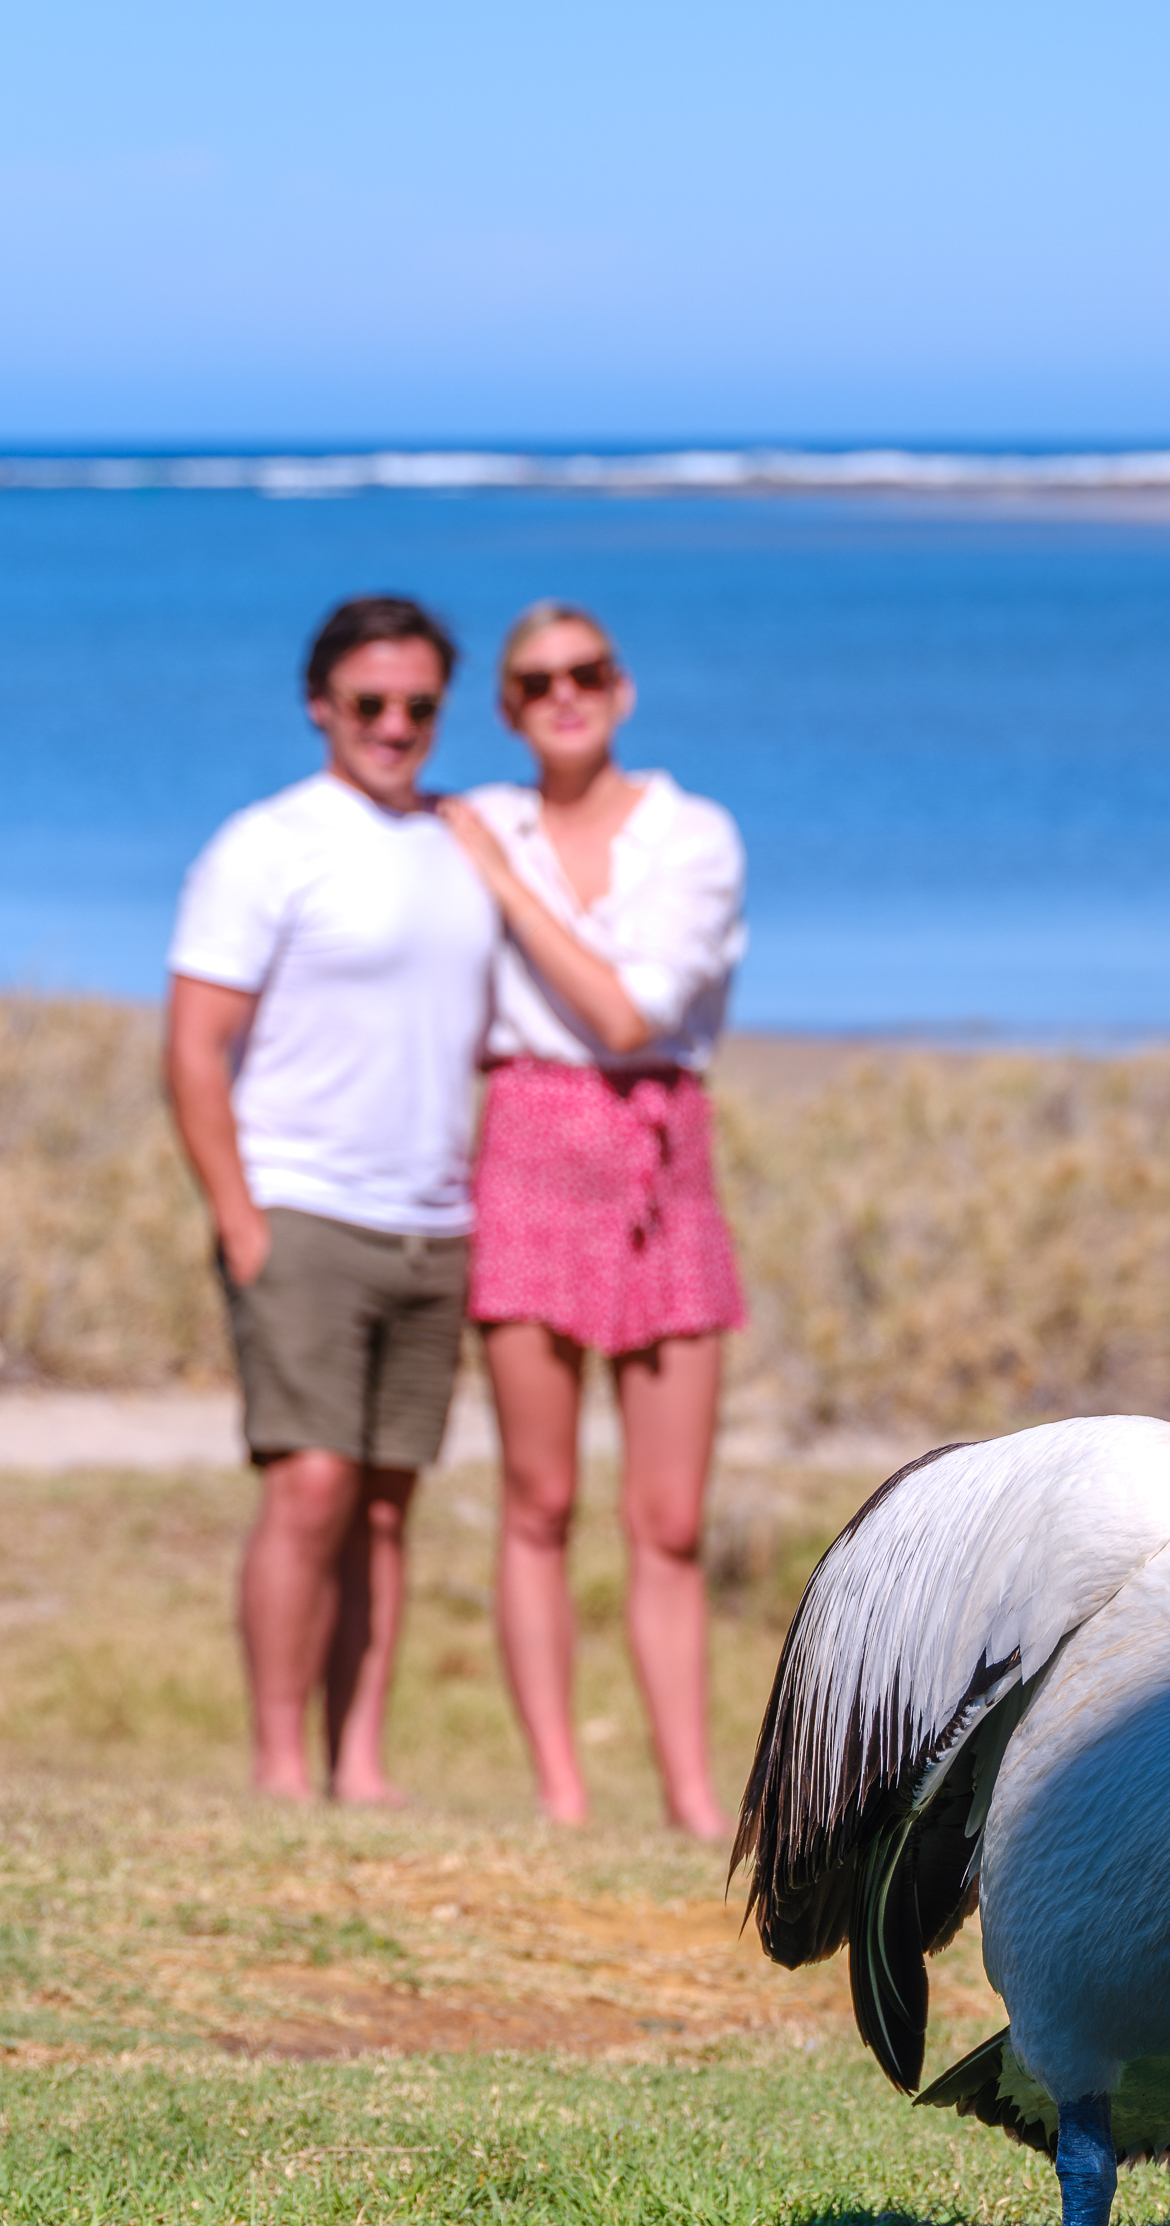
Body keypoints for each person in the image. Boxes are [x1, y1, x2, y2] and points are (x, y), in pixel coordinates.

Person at [165, 595, 500, 1807]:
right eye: (370, 703)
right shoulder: (265, 845)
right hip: (303, 1207)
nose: (394, 725)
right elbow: (194, 1046)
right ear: (321, 705)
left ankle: (360, 1763)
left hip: (434, 1221)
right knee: (307, 1485)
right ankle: (275, 1765)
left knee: (385, 1503)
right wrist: (241, 1219)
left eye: (417, 705)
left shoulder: (461, 841)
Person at [435, 601, 748, 1840]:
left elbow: (632, 1016)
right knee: (537, 1495)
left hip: (660, 1153)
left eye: (587, 672)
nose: (564, 693)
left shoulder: (690, 833)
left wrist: (502, 884)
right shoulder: (475, 818)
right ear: (508, 707)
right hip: (524, 1144)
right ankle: (560, 1792)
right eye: (535, 680)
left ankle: (686, 1794)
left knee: (668, 1519)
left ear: (621, 689)